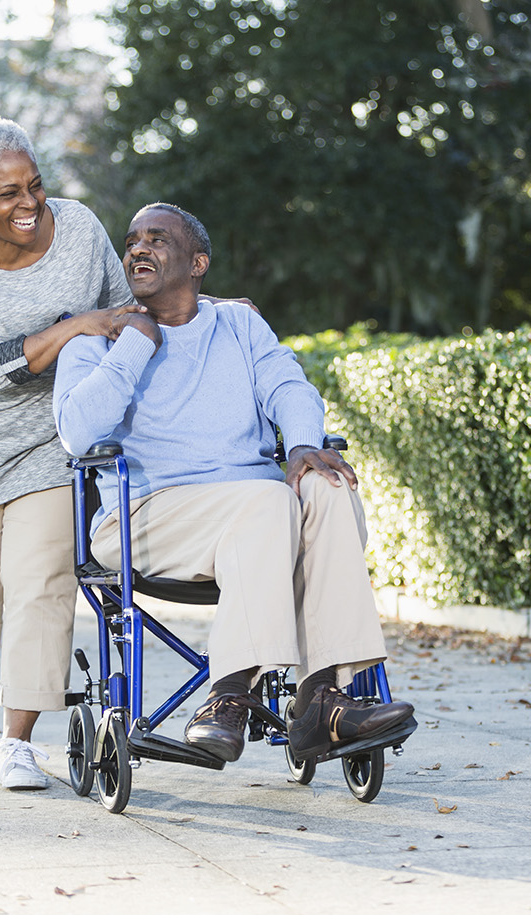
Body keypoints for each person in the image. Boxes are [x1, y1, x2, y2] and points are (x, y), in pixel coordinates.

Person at [52, 203, 414, 764]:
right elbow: (76, 433)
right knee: (269, 498)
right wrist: (135, 343)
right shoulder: (97, 340)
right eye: (132, 242)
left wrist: (299, 445)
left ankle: (322, 700)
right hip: (146, 513)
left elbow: (290, 385)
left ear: (198, 263)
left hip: (255, 517)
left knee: (328, 484)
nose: (138, 249)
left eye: (157, 240)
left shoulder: (238, 324)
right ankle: (228, 695)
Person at [0, 117, 145, 790]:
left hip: (49, 437)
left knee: (42, 583)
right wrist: (71, 328)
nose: (29, 204)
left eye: (35, 185)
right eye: (7, 193)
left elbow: (125, 313)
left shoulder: (77, 228)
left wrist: (207, 309)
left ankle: (17, 739)